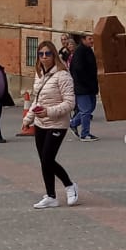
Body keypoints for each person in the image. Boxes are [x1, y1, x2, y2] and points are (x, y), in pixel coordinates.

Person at [24, 42, 78, 209]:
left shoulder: (63, 75)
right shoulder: (40, 74)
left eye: (48, 53)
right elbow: (37, 99)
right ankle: (50, 196)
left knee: (48, 159)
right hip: (41, 123)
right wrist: (28, 118)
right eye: (41, 54)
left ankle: (70, 185)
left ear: (54, 55)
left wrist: (49, 111)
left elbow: (70, 103)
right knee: (44, 161)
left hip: (57, 123)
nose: (45, 57)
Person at [68, 32, 99, 140]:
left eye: (92, 38)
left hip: (90, 86)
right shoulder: (79, 52)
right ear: (83, 39)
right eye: (90, 38)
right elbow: (77, 70)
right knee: (86, 110)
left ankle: (73, 123)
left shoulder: (89, 50)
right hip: (82, 87)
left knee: (91, 107)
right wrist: (85, 83)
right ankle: (85, 134)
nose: (92, 41)